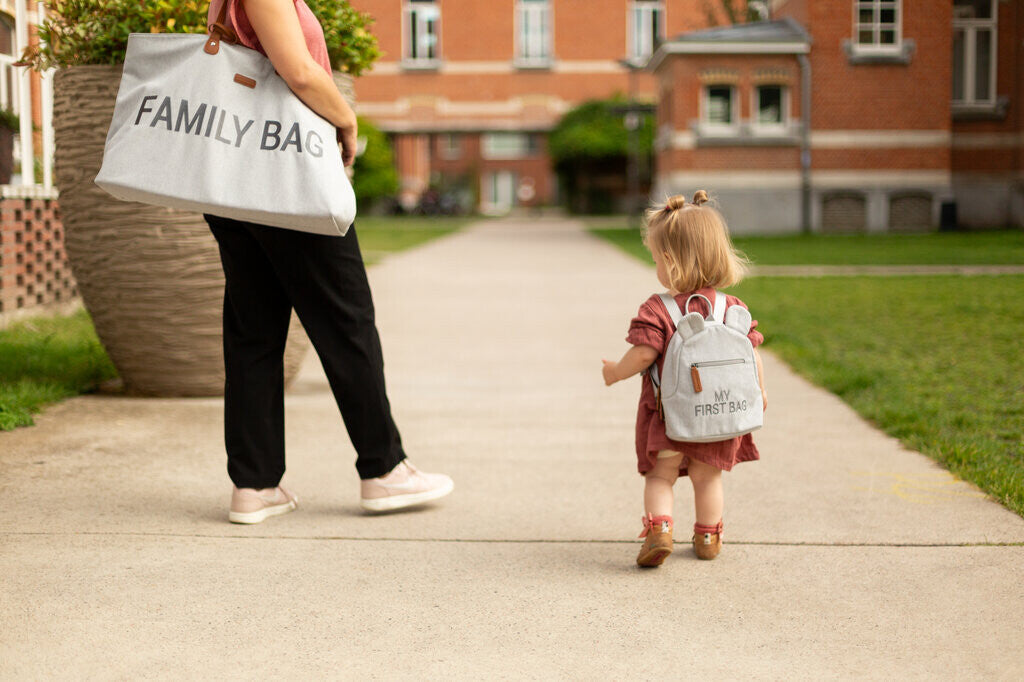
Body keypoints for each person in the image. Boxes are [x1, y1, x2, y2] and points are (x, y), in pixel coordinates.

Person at [205, 0, 453, 524]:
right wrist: (346, 119)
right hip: (287, 176)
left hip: (233, 173)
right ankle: (384, 470)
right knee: (347, 321)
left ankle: (254, 483)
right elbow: (298, 71)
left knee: (254, 328)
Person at [601, 191, 767, 566]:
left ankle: (660, 529)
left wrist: (615, 372)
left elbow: (644, 354)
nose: (655, 265)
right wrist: (760, 390)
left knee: (661, 476)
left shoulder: (658, 308)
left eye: (657, 258)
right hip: (719, 415)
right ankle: (708, 536)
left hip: (671, 418)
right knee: (708, 478)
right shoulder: (732, 308)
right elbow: (751, 354)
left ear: (671, 262)